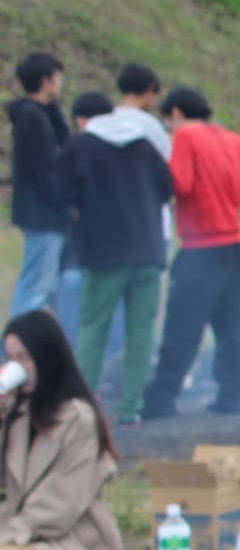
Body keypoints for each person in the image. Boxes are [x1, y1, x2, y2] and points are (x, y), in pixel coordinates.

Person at [61, 90, 171, 425]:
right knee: (141, 332)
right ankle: (130, 406)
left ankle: (81, 405)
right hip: (148, 251)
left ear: (81, 120)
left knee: (93, 327)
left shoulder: (80, 147)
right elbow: (166, 189)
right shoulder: (143, 145)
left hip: (104, 255)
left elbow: (64, 195)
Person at [142, 87, 240, 419]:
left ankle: (161, 399)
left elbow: (181, 185)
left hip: (200, 248)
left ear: (175, 112)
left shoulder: (186, 135)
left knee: (182, 328)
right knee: (231, 328)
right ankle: (232, 396)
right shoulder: (233, 139)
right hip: (233, 245)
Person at [0, 310, 124, 550]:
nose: (16, 367)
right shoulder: (17, 411)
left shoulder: (77, 419)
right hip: (17, 534)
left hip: (66, 541)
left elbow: (57, 508)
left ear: (46, 357)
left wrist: (8, 540)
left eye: (23, 358)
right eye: (10, 358)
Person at [9, 52, 69, 319]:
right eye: (57, 78)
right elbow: (46, 169)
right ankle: (13, 350)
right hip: (43, 213)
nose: (60, 83)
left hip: (47, 211)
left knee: (50, 286)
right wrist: (65, 202)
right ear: (46, 81)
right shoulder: (31, 118)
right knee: (35, 286)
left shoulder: (42, 114)